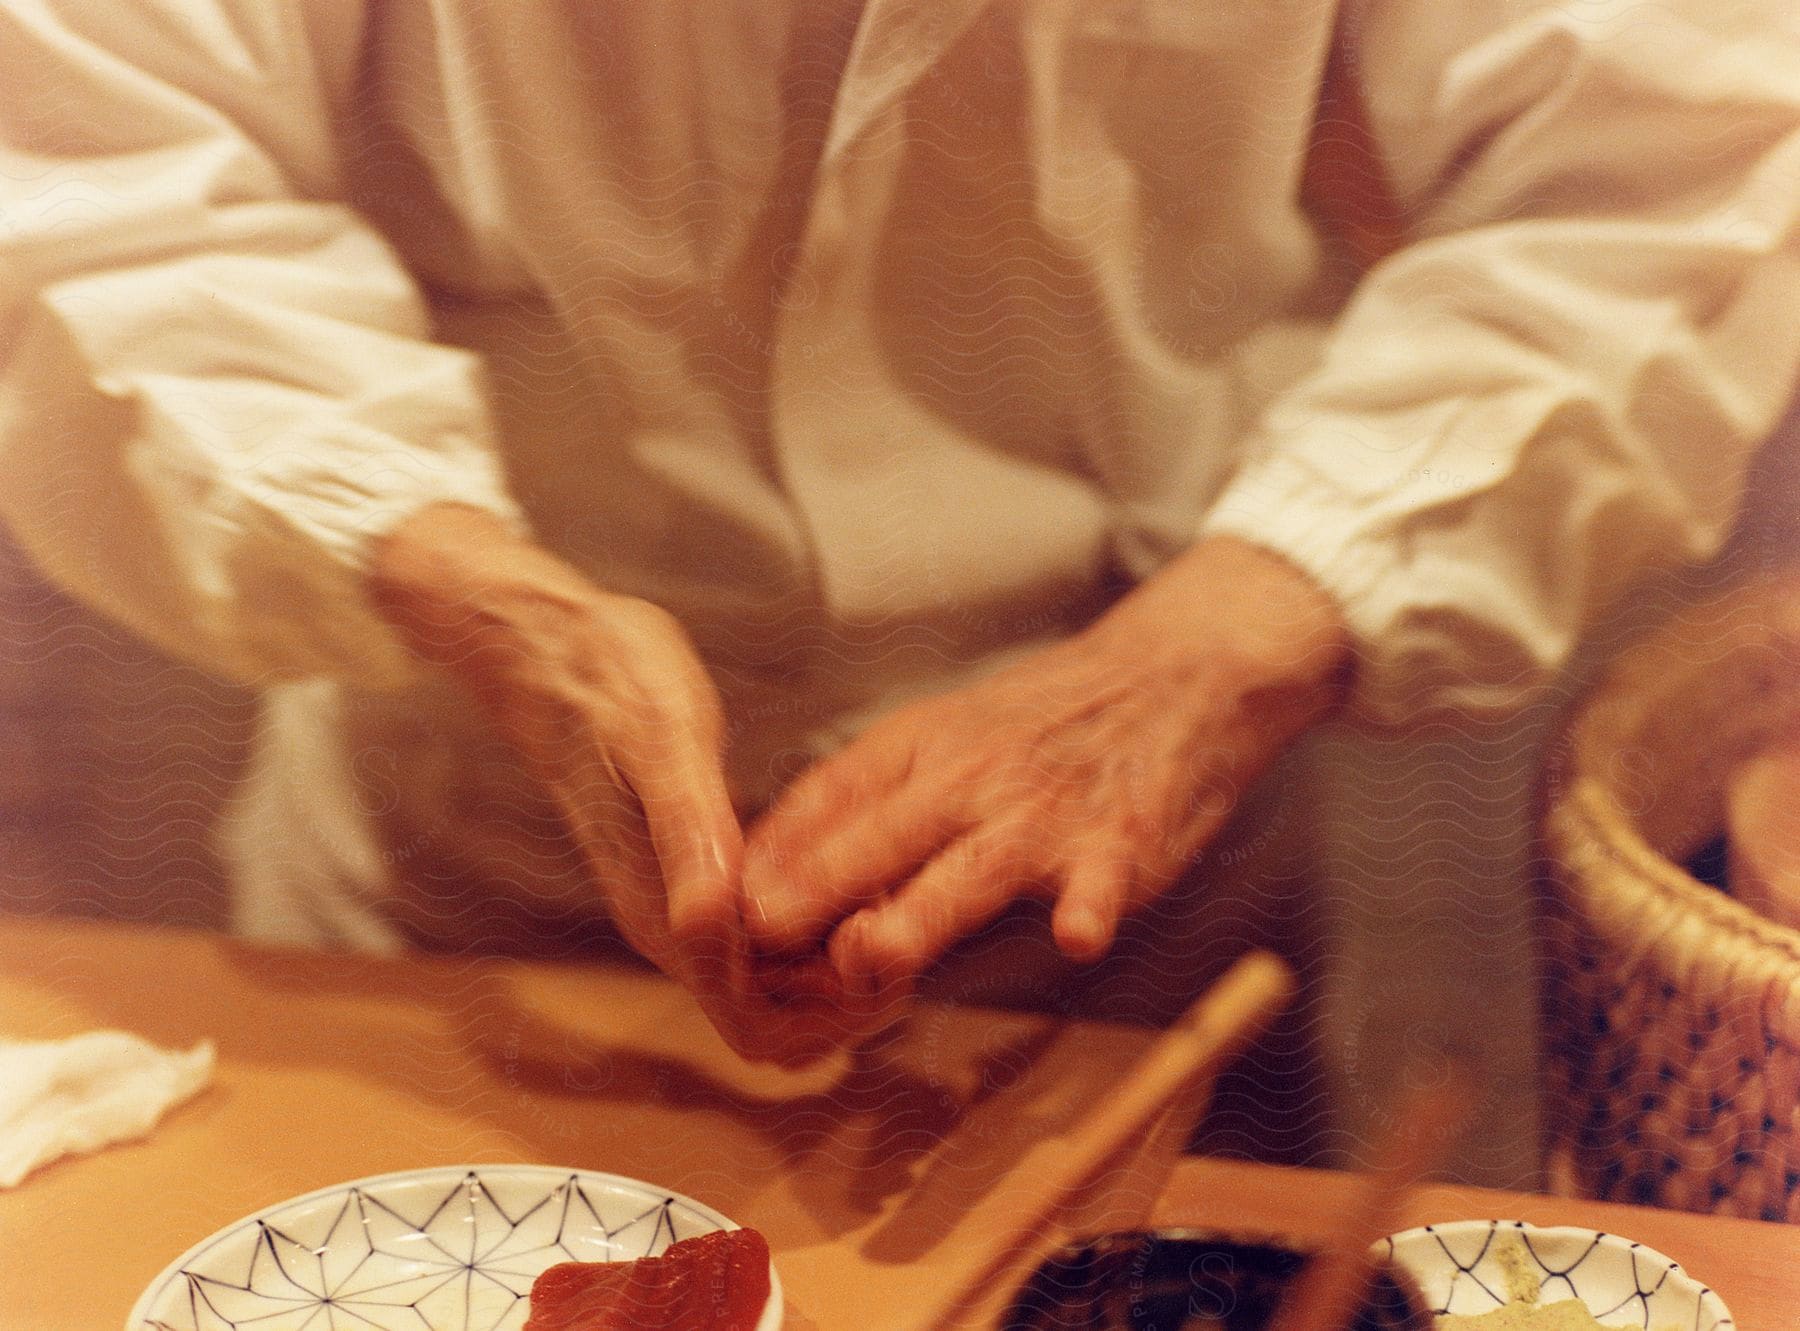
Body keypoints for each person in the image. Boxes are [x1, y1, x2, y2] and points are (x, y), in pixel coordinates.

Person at [3, 0, 1797, 1084]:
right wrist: (502, 616)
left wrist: (1225, 640)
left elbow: (1667, 172)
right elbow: (93, 192)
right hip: (452, 890)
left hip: (1137, 913)